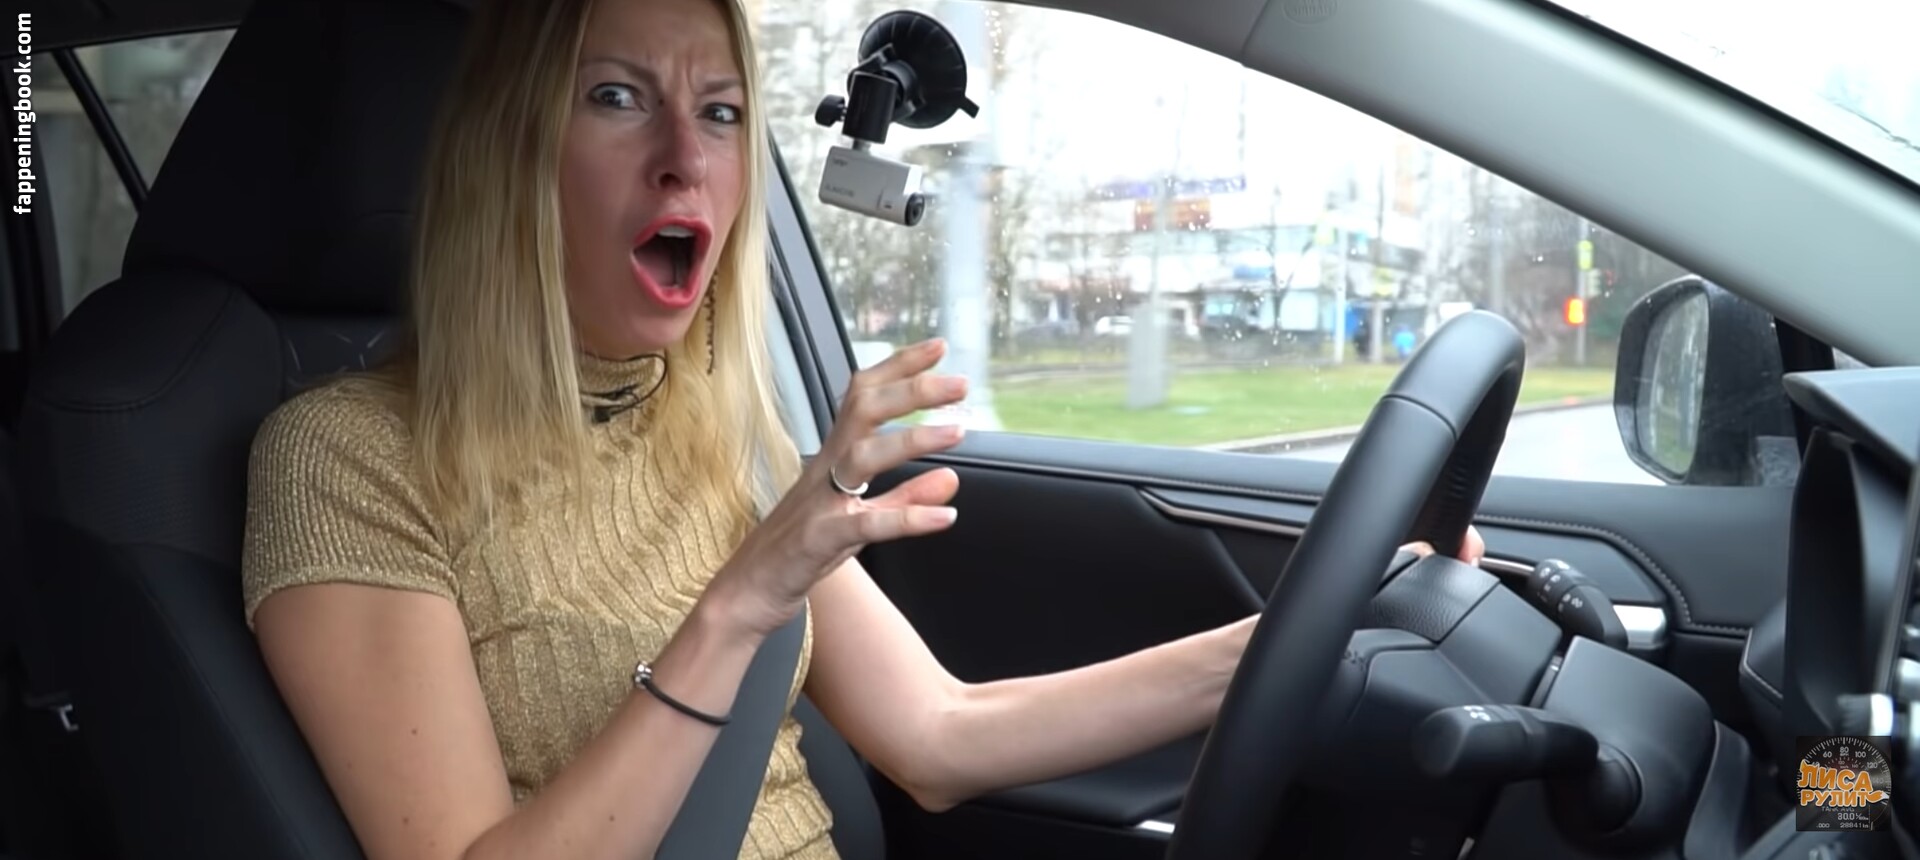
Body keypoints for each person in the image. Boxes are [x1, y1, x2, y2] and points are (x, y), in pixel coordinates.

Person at [240, 0, 1486, 858]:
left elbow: (941, 736)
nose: (684, 159)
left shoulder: (711, 432)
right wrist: (738, 604)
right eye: (617, 97)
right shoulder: (344, 460)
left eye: (722, 111)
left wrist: (1298, 634)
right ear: (507, 155)